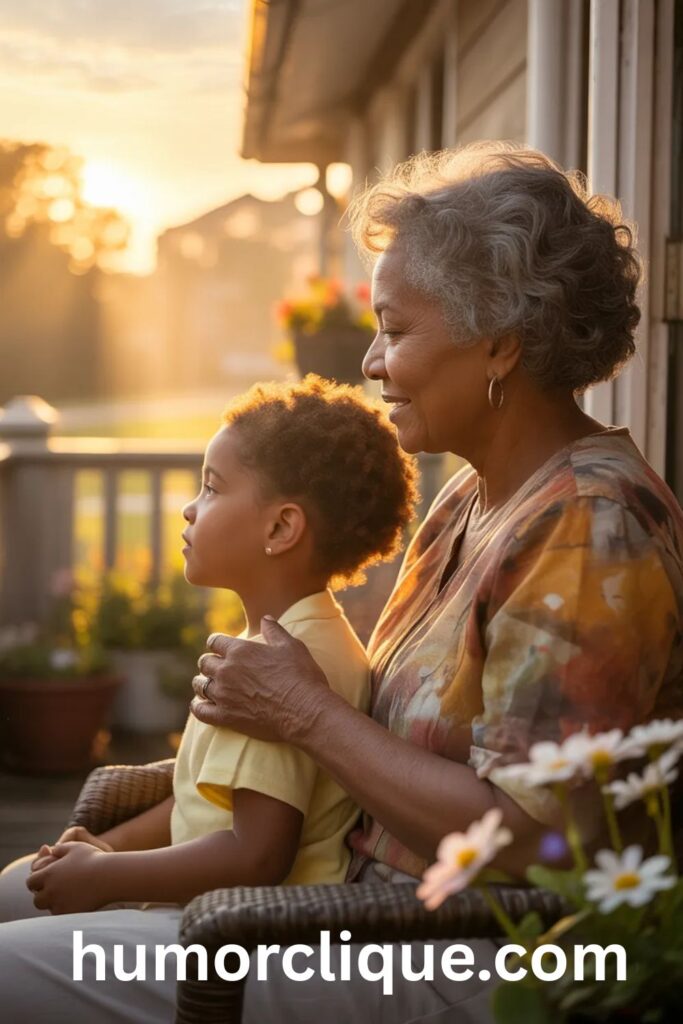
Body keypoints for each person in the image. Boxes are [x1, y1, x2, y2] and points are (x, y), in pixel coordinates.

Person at [0, 141, 682, 1023]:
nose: (369, 361)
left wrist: (302, 714)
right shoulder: (471, 502)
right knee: (19, 891)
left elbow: (533, 840)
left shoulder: (590, 525)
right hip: (347, 903)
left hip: (464, 955)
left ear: (501, 344)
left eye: (395, 330)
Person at [0, 375, 416, 918]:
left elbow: (256, 855)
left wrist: (106, 877)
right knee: (15, 883)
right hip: (209, 905)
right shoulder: (285, 638)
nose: (189, 509)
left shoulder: (285, 666)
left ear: (282, 526)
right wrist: (109, 848)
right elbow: (199, 799)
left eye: (212, 487)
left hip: (236, 932)